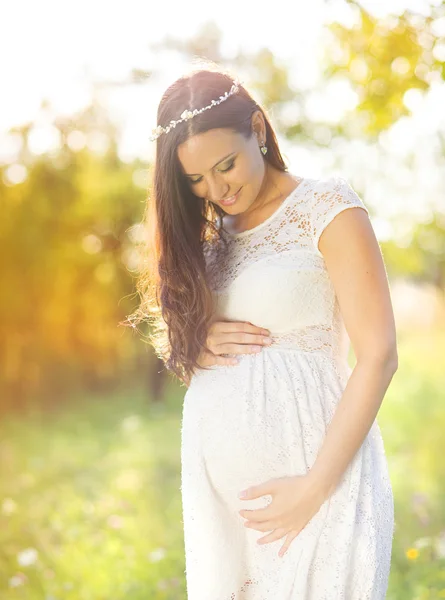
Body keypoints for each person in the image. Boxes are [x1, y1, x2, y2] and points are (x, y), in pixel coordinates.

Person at [130, 64, 398, 599]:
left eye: (225, 165)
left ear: (257, 129)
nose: (216, 189)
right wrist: (199, 340)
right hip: (228, 515)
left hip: (320, 483)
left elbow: (379, 355)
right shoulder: (208, 242)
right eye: (195, 180)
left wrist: (314, 489)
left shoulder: (327, 209)